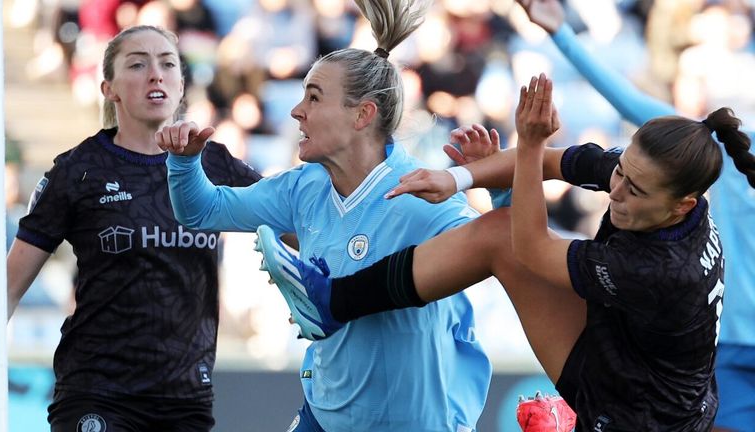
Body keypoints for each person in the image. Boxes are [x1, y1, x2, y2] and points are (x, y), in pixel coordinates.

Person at [257, 70, 755, 430]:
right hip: (647, 369)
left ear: (682, 204)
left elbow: (532, 249)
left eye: (634, 190)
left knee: (501, 237)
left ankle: (335, 303)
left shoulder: (661, 269)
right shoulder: (659, 185)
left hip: (630, 408)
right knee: (500, 227)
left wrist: (531, 140)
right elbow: (555, 165)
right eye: (620, 172)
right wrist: (455, 177)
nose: (618, 191)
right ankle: (334, 303)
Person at [158, 1, 492, 431]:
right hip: (325, 415)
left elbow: (495, 250)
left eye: (313, 97)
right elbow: (202, 210)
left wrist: (495, 188)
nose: (297, 111)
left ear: (362, 114)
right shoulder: (303, 188)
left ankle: (324, 299)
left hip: (410, 421)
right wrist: (184, 163)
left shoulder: (420, 193)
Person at [6, 25, 263, 431]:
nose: (155, 74)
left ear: (180, 85)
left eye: (167, 64)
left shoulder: (213, 164)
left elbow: (295, 231)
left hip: (185, 401)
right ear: (109, 88)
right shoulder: (78, 170)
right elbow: (7, 287)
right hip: (97, 393)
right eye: (138, 64)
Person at [514, 1, 755, 430]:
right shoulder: (726, 148)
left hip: (724, 351)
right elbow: (634, 107)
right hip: (731, 350)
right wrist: (562, 35)